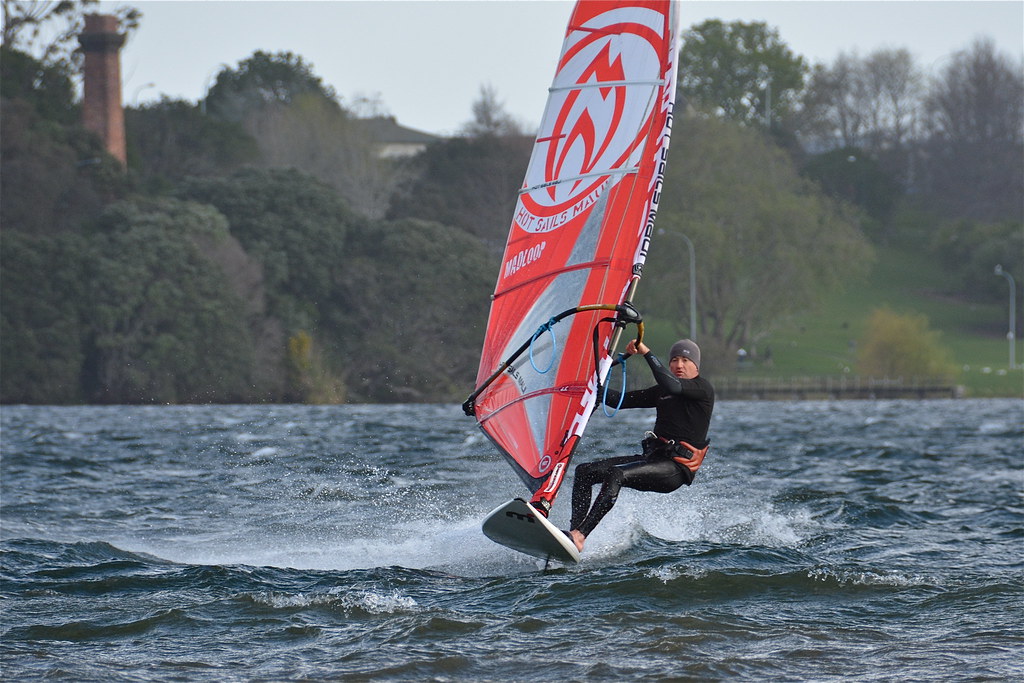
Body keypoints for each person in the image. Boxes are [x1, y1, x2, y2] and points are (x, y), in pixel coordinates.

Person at [566, 338, 715, 553]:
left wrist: (646, 352)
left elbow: (672, 385)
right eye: (674, 360)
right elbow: (622, 400)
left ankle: (581, 536)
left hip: (674, 470)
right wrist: (589, 386)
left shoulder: (702, 389)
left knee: (617, 474)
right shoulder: (663, 391)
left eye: (685, 360)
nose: (679, 365)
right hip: (652, 460)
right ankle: (572, 536)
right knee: (584, 472)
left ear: (696, 366)